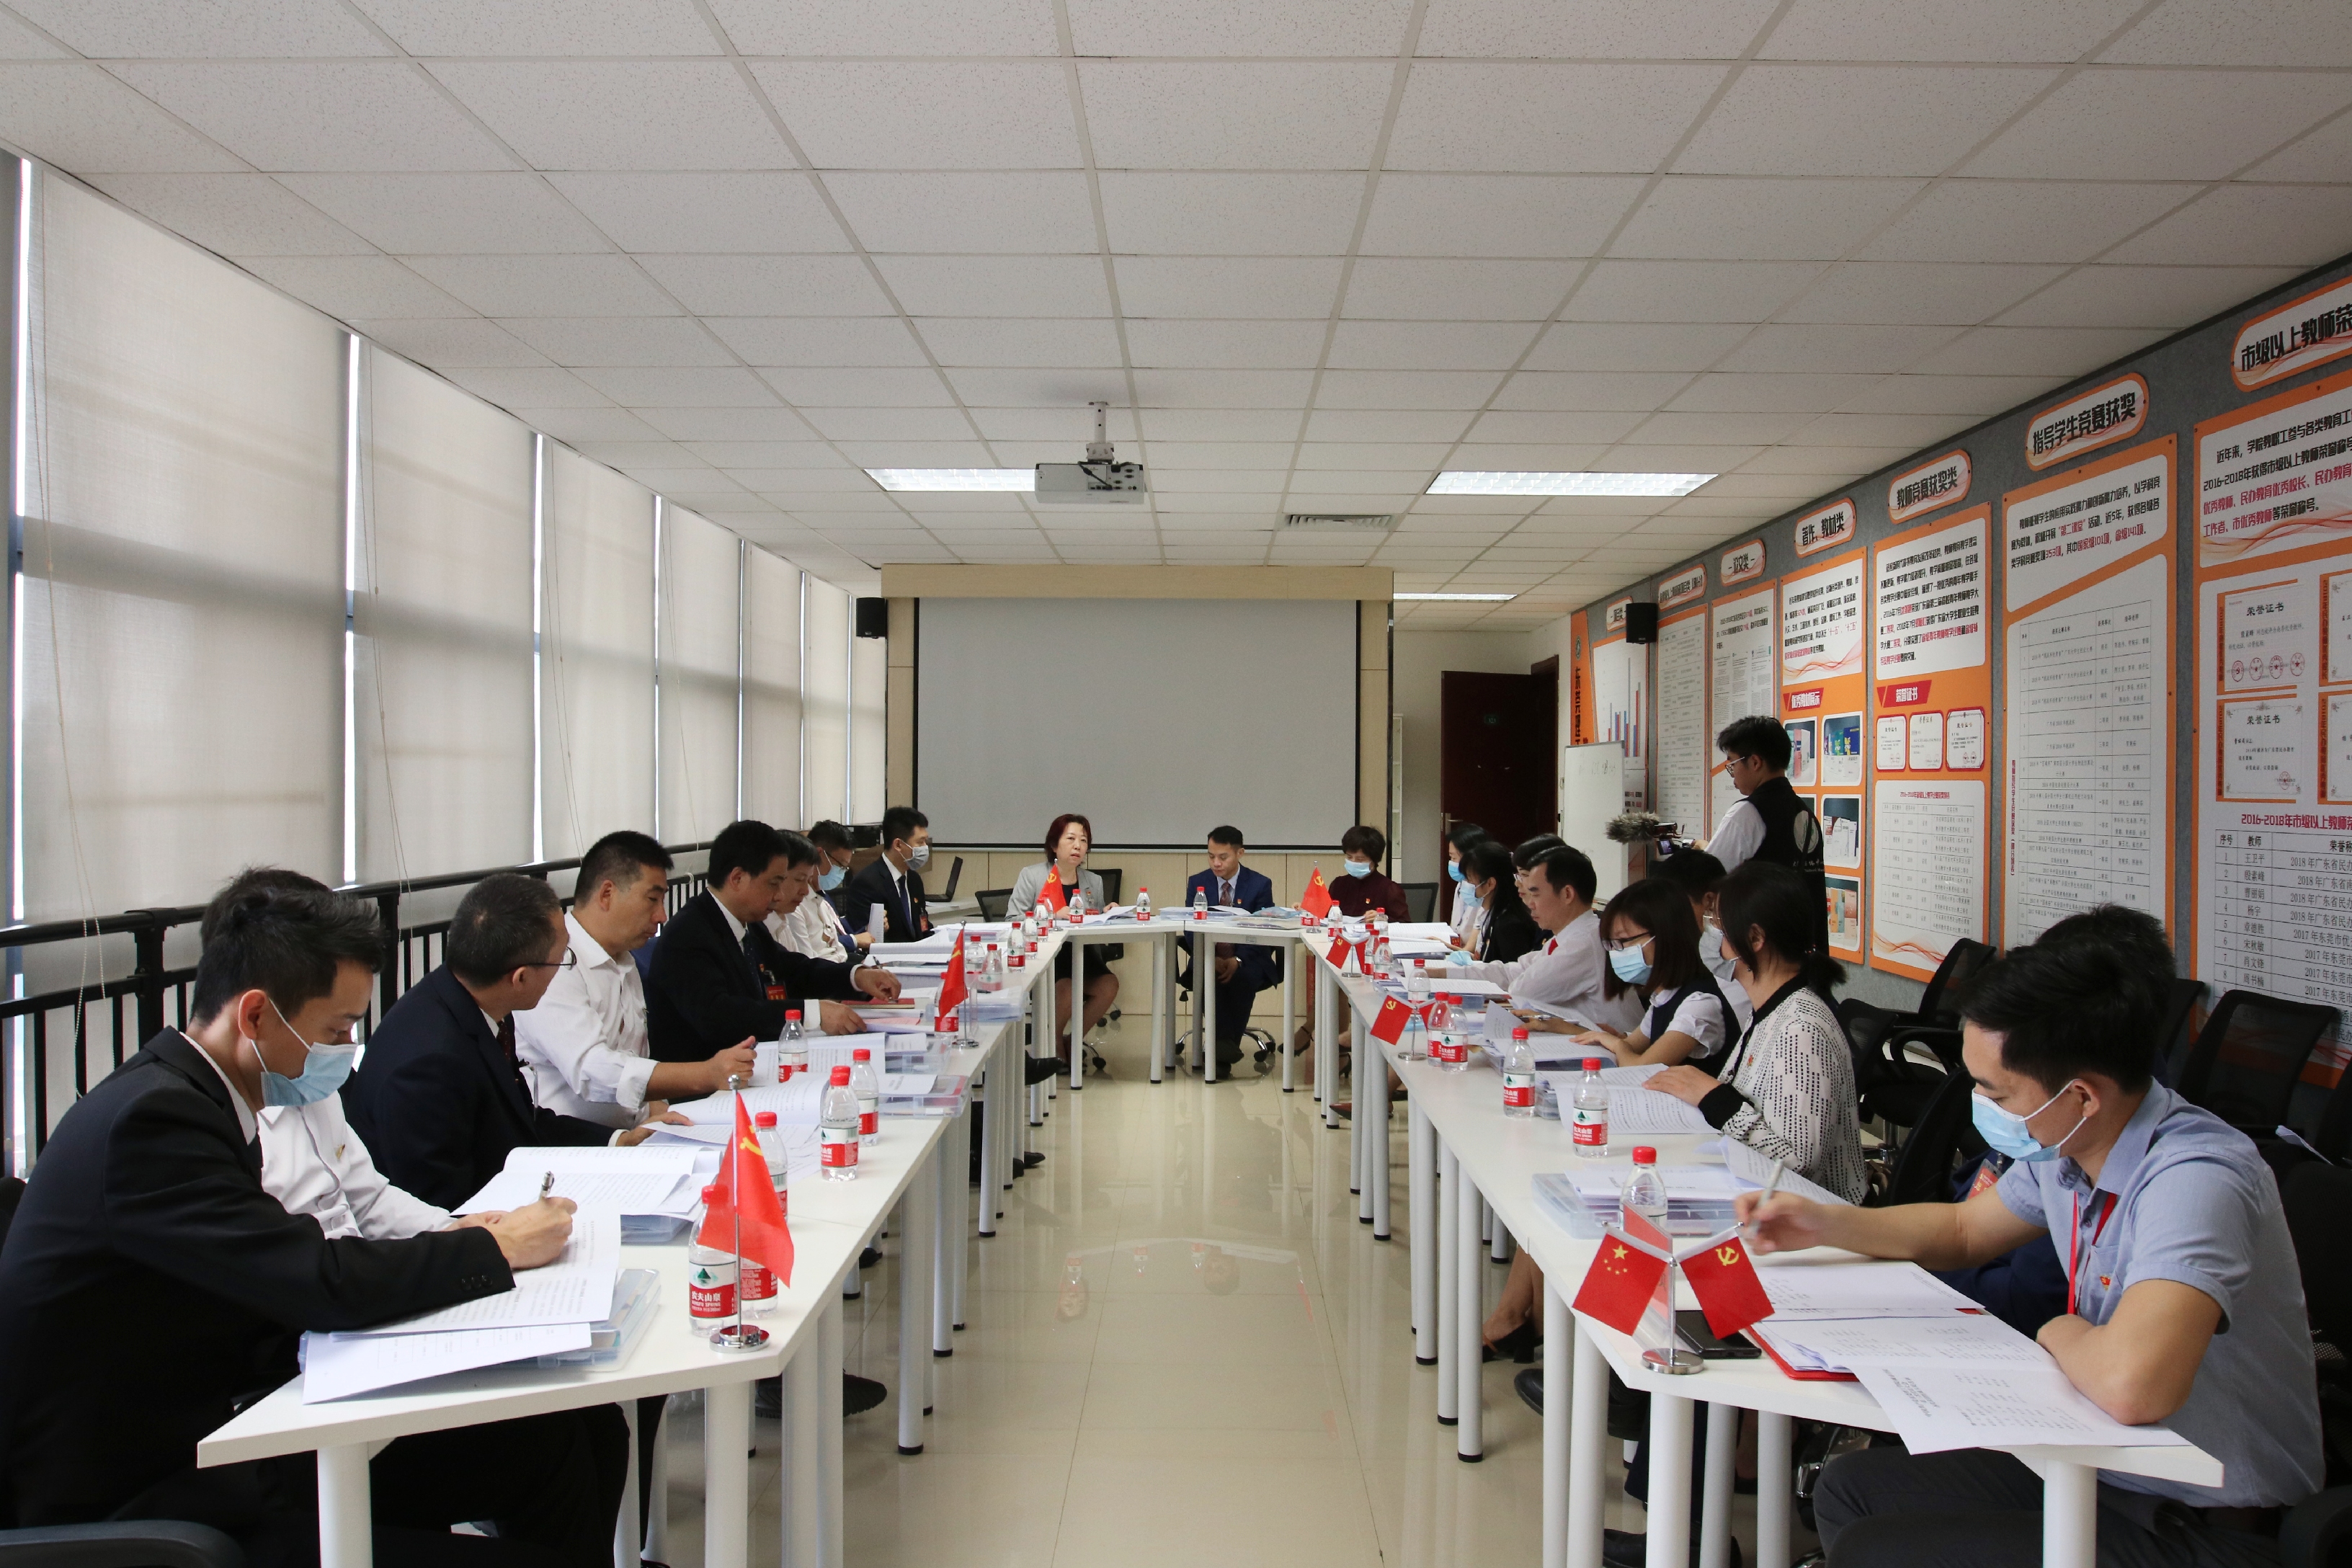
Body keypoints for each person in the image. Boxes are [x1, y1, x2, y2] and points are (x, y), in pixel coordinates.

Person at [0, 876, 625, 1568]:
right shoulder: (152, 1124)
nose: (347, 1049)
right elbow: (316, 1276)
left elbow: (321, 1245)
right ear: (256, 1015)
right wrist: (491, 1247)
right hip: (162, 1488)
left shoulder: (200, 1095)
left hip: (236, 1421)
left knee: (551, 1439)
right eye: (336, 1031)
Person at [1745, 934, 2325, 1568]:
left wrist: (2059, 1330)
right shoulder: (2072, 1147)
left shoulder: (2195, 1178)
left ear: (2082, 1096)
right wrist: (1825, 1223)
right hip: (2096, 1461)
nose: (1980, 1106)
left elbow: (2134, 1387)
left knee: (1878, 1550)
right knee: (1851, 1492)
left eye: (1996, 1094)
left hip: (2199, 1515)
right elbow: (1965, 1231)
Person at [346, 873, 674, 1211]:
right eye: (564, 958)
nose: (565, 968)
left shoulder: (473, 1000)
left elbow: (521, 1119)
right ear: (521, 978)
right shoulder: (429, 1063)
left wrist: (617, 1142)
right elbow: (442, 1206)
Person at [1644, 861, 1868, 1203]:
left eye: (1720, 928)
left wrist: (1712, 1097)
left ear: (1755, 938)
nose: (1712, 939)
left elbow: (1798, 1165)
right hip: (1764, 1198)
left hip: (1818, 1216)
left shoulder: (1801, 1029)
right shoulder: (1768, 1009)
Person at [516, 830, 755, 1129]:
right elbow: (593, 1071)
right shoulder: (555, 961)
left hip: (635, 1132)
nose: (662, 916)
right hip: (581, 1144)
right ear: (607, 894)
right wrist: (707, 1074)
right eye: (652, 899)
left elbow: (635, 1064)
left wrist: (665, 1115)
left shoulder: (624, 959)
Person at [645, 820, 901, 1061]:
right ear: (737, 878)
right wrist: (812, 1014)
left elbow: (793, 969)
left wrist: (856, 976)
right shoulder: (689, 934)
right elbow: (720, 1016)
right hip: (706, 1077)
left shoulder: (747, 924)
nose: (779, 895)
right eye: (773, 884)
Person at [1438, 844, 1642, 1033]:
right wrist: (1441, 973)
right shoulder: (1570, 935)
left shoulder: (1583, 943)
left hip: (1613, 1051)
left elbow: (1522, 992)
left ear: (1567, 894)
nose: (1529, 904)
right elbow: (1512, 971)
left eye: (1535, 894)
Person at [1552, 876, 1740, 1069]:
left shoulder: (1700, 1004)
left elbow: (1639, 1066)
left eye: (1623, 942)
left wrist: (1618, 1044)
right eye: (1611, 944)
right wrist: (1558, 1026)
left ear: (1666, 936)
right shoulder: (1665, 997)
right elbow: (1630, 1046)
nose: (1616, 952)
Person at [1706, 714, 1827, 948]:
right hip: (1804, 947)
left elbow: (1707, 877)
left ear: (1755, 762)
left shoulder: (1747, 813)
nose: (1733, 775)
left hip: (1762, 951)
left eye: (1732, 764)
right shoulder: (1805, 813)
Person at [1008, 813, 1120, 1063]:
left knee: (1108, 984)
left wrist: (1107, 913)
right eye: (1071, 839)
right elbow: (1012, 920)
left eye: (1083, 840)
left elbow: (1094, 922)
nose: (1078, 846)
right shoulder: (1032, 876)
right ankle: (1054, 1043)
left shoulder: (1093, 881)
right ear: (1054, 844)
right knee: (1067, 987)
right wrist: (1051, 916)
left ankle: (1072, 1039)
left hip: (1082, 954)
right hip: (1047, 956)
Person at [1177, 824, 1282, 1073]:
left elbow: (1262, 930)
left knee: (1240, 978)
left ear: (1240, 853)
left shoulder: (1259, 884)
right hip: (1208, 956)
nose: (1216, 863)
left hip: (1249, 958)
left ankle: (1220, 1050)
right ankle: (1224, 1049)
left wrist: (1238, 960)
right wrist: (1209, 957)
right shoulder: (1198, 882)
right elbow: (1191, 928)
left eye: (1223, 857)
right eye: (1211, 856)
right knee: (1209, 975)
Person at [1645, 847, 1751, 1031]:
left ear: (1710, 902)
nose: (1665, 919)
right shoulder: (1685, 962)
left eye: (1674, 908)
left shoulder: (1729, 966)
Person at [773, 819, 868, 963]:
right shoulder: (791, 907)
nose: (806, 891)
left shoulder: (821, 899)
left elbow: (838, 950)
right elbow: (806, 966)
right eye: (840, 865)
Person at [840, 804, 932, 944]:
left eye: (925, 841)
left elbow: (922, 928)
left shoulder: (914, 880)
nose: (925, 847)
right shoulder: (867, 883)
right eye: (920, 842)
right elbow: (867, 940)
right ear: (898, 845)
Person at [1460, 838, 1542, 966]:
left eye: (1469, 880)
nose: (1465, 885)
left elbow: (1512, 973)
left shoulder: (1509, 925)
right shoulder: (1494, 914)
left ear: (1490, 883)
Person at [1331, 824, 1411, 922]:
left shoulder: (1390, 890)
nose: (1353, 862)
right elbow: (1324, 918)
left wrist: (1383, 918)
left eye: (1360, 859)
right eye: (1349, 857)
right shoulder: (1338, 885)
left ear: (1374, 860)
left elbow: (1405, 924)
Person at [1444, 820, 1489, 940]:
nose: (1452, 863)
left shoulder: (1484, 887)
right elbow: (1457, 926)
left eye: (1454, 858)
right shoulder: (1462, 884)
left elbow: (1478, 931)